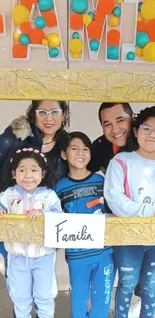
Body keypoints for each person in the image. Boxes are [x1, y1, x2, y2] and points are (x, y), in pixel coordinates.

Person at [0, 100, 69, 317]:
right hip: (17, 254)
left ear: (42, 174)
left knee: (44, 296)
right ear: (13, 174)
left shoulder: (48, 196)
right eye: (22, 170)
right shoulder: (9, 194)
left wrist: (45, 215)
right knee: (19, 296)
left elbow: (59, 217)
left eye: (55, 112)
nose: (28, 175)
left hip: (43, 255)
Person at [88, 102, 141, 318]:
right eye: (107, 124)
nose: (115, 129)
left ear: (133, 117)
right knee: (120, 271)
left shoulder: (146, 140)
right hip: (113, 220)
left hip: (146, 219)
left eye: (120, 120)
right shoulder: (100, 147)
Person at [56, 131, 116, 318]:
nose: (80, 153)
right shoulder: (59, 187)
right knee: (78, 307)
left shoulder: (102, 181)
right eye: (74, 148)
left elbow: (114, 211)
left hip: (105, 254)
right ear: (64, 154)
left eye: (85, 148)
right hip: (77, 257)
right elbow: (55, 220)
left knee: (101, 307)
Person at [104, 106, 155, 318]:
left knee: (151, 286)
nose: (151, 135)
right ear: (135, 131)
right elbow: (115, 199)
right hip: (127, 236)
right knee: (127, 283)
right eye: (146, 129)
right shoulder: (120, 162)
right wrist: (150, 212)